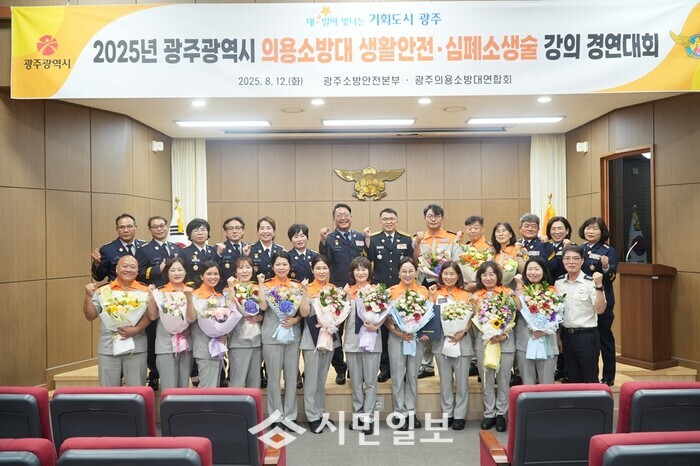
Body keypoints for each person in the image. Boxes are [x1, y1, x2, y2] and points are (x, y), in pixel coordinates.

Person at [83, 255, 151, 387]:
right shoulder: (103, 290)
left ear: (137, 271)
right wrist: (88, 297)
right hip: (108, 347)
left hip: (136, 347)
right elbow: (90, 316)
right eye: (124, 266)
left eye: (132, 267)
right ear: (116, 268)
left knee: (137, 391)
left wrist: (136, 329)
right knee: (108, 392)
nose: (128, 270)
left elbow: (151, 315)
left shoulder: (145, 291)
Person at [385, 257, 435, 431]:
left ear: (416, 273)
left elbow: (429, 316)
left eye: (411, 271)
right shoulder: (391, 292)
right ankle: (400, 412)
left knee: (412, 375)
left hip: (416, 339)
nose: (407, 274)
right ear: (398, 273)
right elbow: (385, 318)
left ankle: (411, 411)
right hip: (396, 337)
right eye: (404, 271)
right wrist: (396, 331)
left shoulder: (423, 291)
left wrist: (422, 333)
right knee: (398, 376)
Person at [319, 203, 367, 385]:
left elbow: (369, 259)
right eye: (339, 215)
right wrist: (323, 241)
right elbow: (324, 259)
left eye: (346, 214)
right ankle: (340, 368)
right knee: (335, 331)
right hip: (338, 291)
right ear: (334, 219)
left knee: (359, 328)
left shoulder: (360, 237)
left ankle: (357, 368)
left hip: (359, 290)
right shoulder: (329, 238)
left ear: (351, 217)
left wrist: (369, 241)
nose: (343, 217)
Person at [364, 208, 414, 383]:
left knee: (406, 326)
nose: (388, 222)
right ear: (380, 222)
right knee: (385, 330)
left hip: (402, 290)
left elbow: (410, 263)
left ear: (397, 221)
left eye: (392, 219)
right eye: (385, 219)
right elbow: (368, 260)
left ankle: (406, 367)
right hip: (382, 291)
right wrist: (367, 242)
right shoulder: (374, 239)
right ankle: (385, 368)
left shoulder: (406, 239)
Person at [413, 204, 461, 379]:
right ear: (425, 218)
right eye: (430, 216)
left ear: (442, 218)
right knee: (425, 323)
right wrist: (418, 243)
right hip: (424, 285)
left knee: (448, 321)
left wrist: (445, 276)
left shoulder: (451, 238)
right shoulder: (419, 237)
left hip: (446, 284)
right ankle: (427, 364)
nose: (433, 219)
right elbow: (415, 260)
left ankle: (449, 360)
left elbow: (457, 262)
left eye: (437, 216)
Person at [136, 215, 183, 391]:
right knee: (153, 335)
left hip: (176, 297)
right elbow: (138, 273)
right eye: (155, 226)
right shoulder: (144, 250)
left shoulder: (175, 247)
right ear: (150, 230)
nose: (159, 229)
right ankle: (154, 372)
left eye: (162, 225)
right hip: (157, 298)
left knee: (178, 333)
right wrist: (158, 269)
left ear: (167, 227)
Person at [473, 260, 518, 433]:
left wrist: (504, 334)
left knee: (504, 380)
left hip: (505, 342)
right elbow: (474, 322)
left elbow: (515, 318)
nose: (488, 278)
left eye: (492, 274)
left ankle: (501, 414)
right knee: (487, 379)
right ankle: (489, 413)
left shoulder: (507, 293)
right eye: (484, 275)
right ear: (479, 277)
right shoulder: (476, 296)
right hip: (484, 343)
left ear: (498, 276)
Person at [261, 251, 303, 431]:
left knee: (291, 377)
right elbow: (263, 307)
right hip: (271, 336)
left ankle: (291, 415)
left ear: (290, 266)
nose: (281, 267)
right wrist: (261, 285)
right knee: (273, 378)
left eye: (284, 264)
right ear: (272, 267)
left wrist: (295, 320)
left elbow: (303, 312)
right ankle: (275, 415)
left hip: (292, 335)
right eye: (278, 264)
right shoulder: (266, 286)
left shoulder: (297, 286)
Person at [299, 255, 340, 434]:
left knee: (322, 378)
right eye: (318, 268)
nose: (322, 271)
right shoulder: (308, 289)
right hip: (312, 339)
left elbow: (340, 314)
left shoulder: (334, 290)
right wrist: (304, 293)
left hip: (329, 338)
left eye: (324, 268)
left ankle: (320, 412)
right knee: (311, 380)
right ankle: (312, 416)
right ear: (312, 270)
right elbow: (304, 312)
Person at [555, 245, 606, 383]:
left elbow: (600, 310)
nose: (571, 262)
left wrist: (599, 287)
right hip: (566, 336)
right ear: (563, 261)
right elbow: (557, 313)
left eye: (575, 258)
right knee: (572, 378)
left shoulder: (590, 282)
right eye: (567, 258)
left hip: (586, 336)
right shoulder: (559, 282)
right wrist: (558, 337)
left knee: (590, 377)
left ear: (582, 261)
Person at [344, 256, 383, 434]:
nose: (361, 272)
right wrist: (345, 299)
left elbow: (384, 316)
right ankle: (358, 415)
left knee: (371, 381)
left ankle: (369, 416)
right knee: (356, 381)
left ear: (369, 271)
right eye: (357, 269)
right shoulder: (347, 291)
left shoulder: (377, 291)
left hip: (372, 340)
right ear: (352, 273)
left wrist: (377, 325)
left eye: (364, 269)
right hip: (352, 340)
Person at [432, 261, 472, 431]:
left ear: (458, 276)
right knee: (445, 382)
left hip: (462, 342)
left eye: (452, 274)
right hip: (442, 342)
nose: (448, 277)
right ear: (441, 275)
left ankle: (460, 415)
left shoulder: (466, 295)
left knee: (462, 382)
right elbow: (431, 317)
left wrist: (462, 332)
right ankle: (447, 413)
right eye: (445, 273)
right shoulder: (435, 293)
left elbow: (472, 318)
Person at [579, 217, 618, 386]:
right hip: (583, 300)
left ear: (602, 232)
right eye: (588, 228)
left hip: (603, 299)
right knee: (587, 339)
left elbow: (612, 277)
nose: (590, 231)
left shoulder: (608, 251)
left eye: (595, 228)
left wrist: (606, 266)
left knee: (604, 337)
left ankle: (608, 376)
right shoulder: (580, 249)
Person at [146, 257, 195, 390]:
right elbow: (152, 316)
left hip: (186, 344)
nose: (177, 273)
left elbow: (193, 319)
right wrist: (151, 298)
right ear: (167, 273)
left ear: (185, 272)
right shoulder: (160, 292)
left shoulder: (192, 291)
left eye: (180, 270)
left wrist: (189, 299)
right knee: (168, 387)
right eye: (172, 270)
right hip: (165, 344)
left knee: (183, 386)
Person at [513, 256, 560, 385]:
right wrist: (519, 286)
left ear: (544, 271)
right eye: (530, 269)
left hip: (547, 341)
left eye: (537, 269)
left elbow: (557, 316)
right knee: (527, 383)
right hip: (524, 341)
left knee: (547, 382)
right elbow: (519, 308)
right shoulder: (521, 289)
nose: (533, 272)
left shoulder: (552, 290)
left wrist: (544, 331)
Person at [226, 256, 267, 388]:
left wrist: (258, 318)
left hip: (257, 341)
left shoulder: (257, 287)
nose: (245, 271)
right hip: (238, 341)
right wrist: (231, 288)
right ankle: (235, 403)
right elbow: (230, 309)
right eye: (241, 268)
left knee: (255, 381)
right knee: (237, 380)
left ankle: (253, 403)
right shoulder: (229, 289)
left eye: (248, 267)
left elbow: (263, 308)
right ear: (235, 272)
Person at [190, 261, 229, 388]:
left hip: (217, 348)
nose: (213, 277)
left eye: (216, 274)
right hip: (204, 348)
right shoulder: (195, 296)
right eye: (209, 274)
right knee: (207, 389)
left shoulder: (219, 296)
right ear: (201, 276)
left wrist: (224, 334)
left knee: (214, 389)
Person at [91, 213, 146, 282]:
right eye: (121, 227)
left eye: (129, 226)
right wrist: (97, 263)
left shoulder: (145, 247)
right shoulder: (108, 250)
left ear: (135, 227)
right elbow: (98, 277)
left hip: (141, 288)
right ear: (117, 229)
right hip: (117, 288)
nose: (126, 230)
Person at [180, 219, 217, 288]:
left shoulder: (213, 250)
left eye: (203, 230)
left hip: (213, 288)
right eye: (196, 230)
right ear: (190, 234)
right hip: (193, 288)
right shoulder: (184, 252)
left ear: (208, 233)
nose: (200, 233)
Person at [216, 216, 249, 289]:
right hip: (225, 289)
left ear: (243, 231)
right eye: (231, 228)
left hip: (246, 289)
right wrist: (218, 255)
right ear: (225, 232)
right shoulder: (219, 248)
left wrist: (246, 256)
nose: (234, 231)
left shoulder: (248, 248)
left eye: (237, 228)